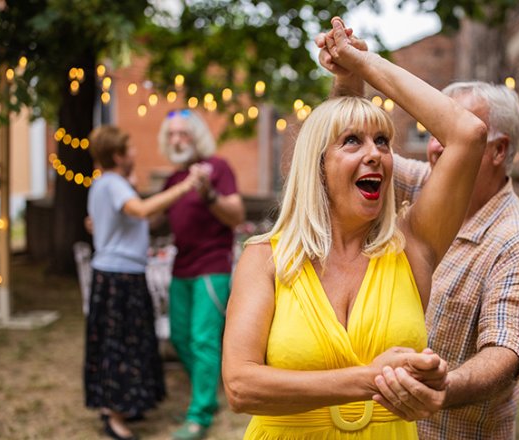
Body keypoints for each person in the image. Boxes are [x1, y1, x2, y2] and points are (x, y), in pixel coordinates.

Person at [221, 17, 487, 439]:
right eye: (352, 142)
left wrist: (363, 63)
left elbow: (468, 134)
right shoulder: (267, 256)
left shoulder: (412, 245)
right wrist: (371, 379)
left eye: (383, 142)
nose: (376, 154)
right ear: (319, 167)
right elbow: (240, 386)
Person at [85, 125, 204, 440]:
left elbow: (135, 220)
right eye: (130, 148)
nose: (135, 154)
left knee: (128, 342)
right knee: (119, 344)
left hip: (120, 274)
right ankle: (113, 416)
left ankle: (123, 404)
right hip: (117, 277)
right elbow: (139, 210)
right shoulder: (112, 184)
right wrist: (185, 186)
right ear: (117, 155)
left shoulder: (108, 185)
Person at [156, 108, 246, 440]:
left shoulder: (218, 169)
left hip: (212, 267)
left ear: (197, 136)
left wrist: (209, 193)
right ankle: (205, 394)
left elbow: (235, 214)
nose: (177, 139)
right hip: (181, 267)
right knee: (180, 338)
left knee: (203, 340)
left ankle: (200, 415)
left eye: (183, 133)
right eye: (171, 134)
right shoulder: (172, 180)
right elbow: (154, 218)